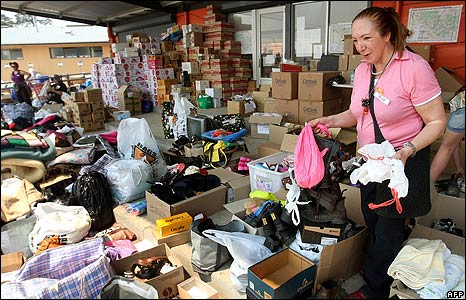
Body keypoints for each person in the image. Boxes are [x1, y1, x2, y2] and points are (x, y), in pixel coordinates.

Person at [308, 7, 446, 299]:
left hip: (401, 163)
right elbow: (357, 113)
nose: (360, 47)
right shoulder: (362, 70)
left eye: (367, 38)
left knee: (387, 228)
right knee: (373, 219)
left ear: (388, 35)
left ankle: (375, 288)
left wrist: (407, 150)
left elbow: (437, 122)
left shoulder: (414, 68)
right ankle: (389, 260)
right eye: (356, 40)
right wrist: (329, 120)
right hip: (370, 163)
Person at [430, 87, 465, 193]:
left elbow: (450, 147)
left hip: (462, 105)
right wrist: (459, 167)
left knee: (446, 148)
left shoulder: (458, 103)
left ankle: (427, 188)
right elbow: (455, 145)